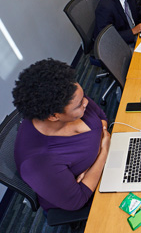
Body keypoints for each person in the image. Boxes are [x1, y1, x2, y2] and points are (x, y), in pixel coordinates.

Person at [13, 58, 110, 211]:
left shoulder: (69, 97)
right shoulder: (36, 163)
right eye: (79, 105)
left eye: (83, 96)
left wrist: (89, 166)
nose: (86, 102)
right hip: (93, 191)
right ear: (53, 116)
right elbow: (77, 200)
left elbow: (102, 117)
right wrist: (104, 151)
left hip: (99, 169)